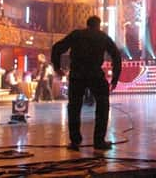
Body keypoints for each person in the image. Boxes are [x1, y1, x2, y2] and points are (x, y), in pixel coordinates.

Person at [51, 16, 121, 151]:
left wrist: (57, 67)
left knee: (74, 108)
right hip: (95, 74)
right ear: (98, 25)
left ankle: (75, 141)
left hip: (77, 74)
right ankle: (99, 141)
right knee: (103, 105)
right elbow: (116, 56)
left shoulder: (76, 34)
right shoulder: (102, 36)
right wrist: (115, 78)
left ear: (87, 24)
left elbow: (57, 48)